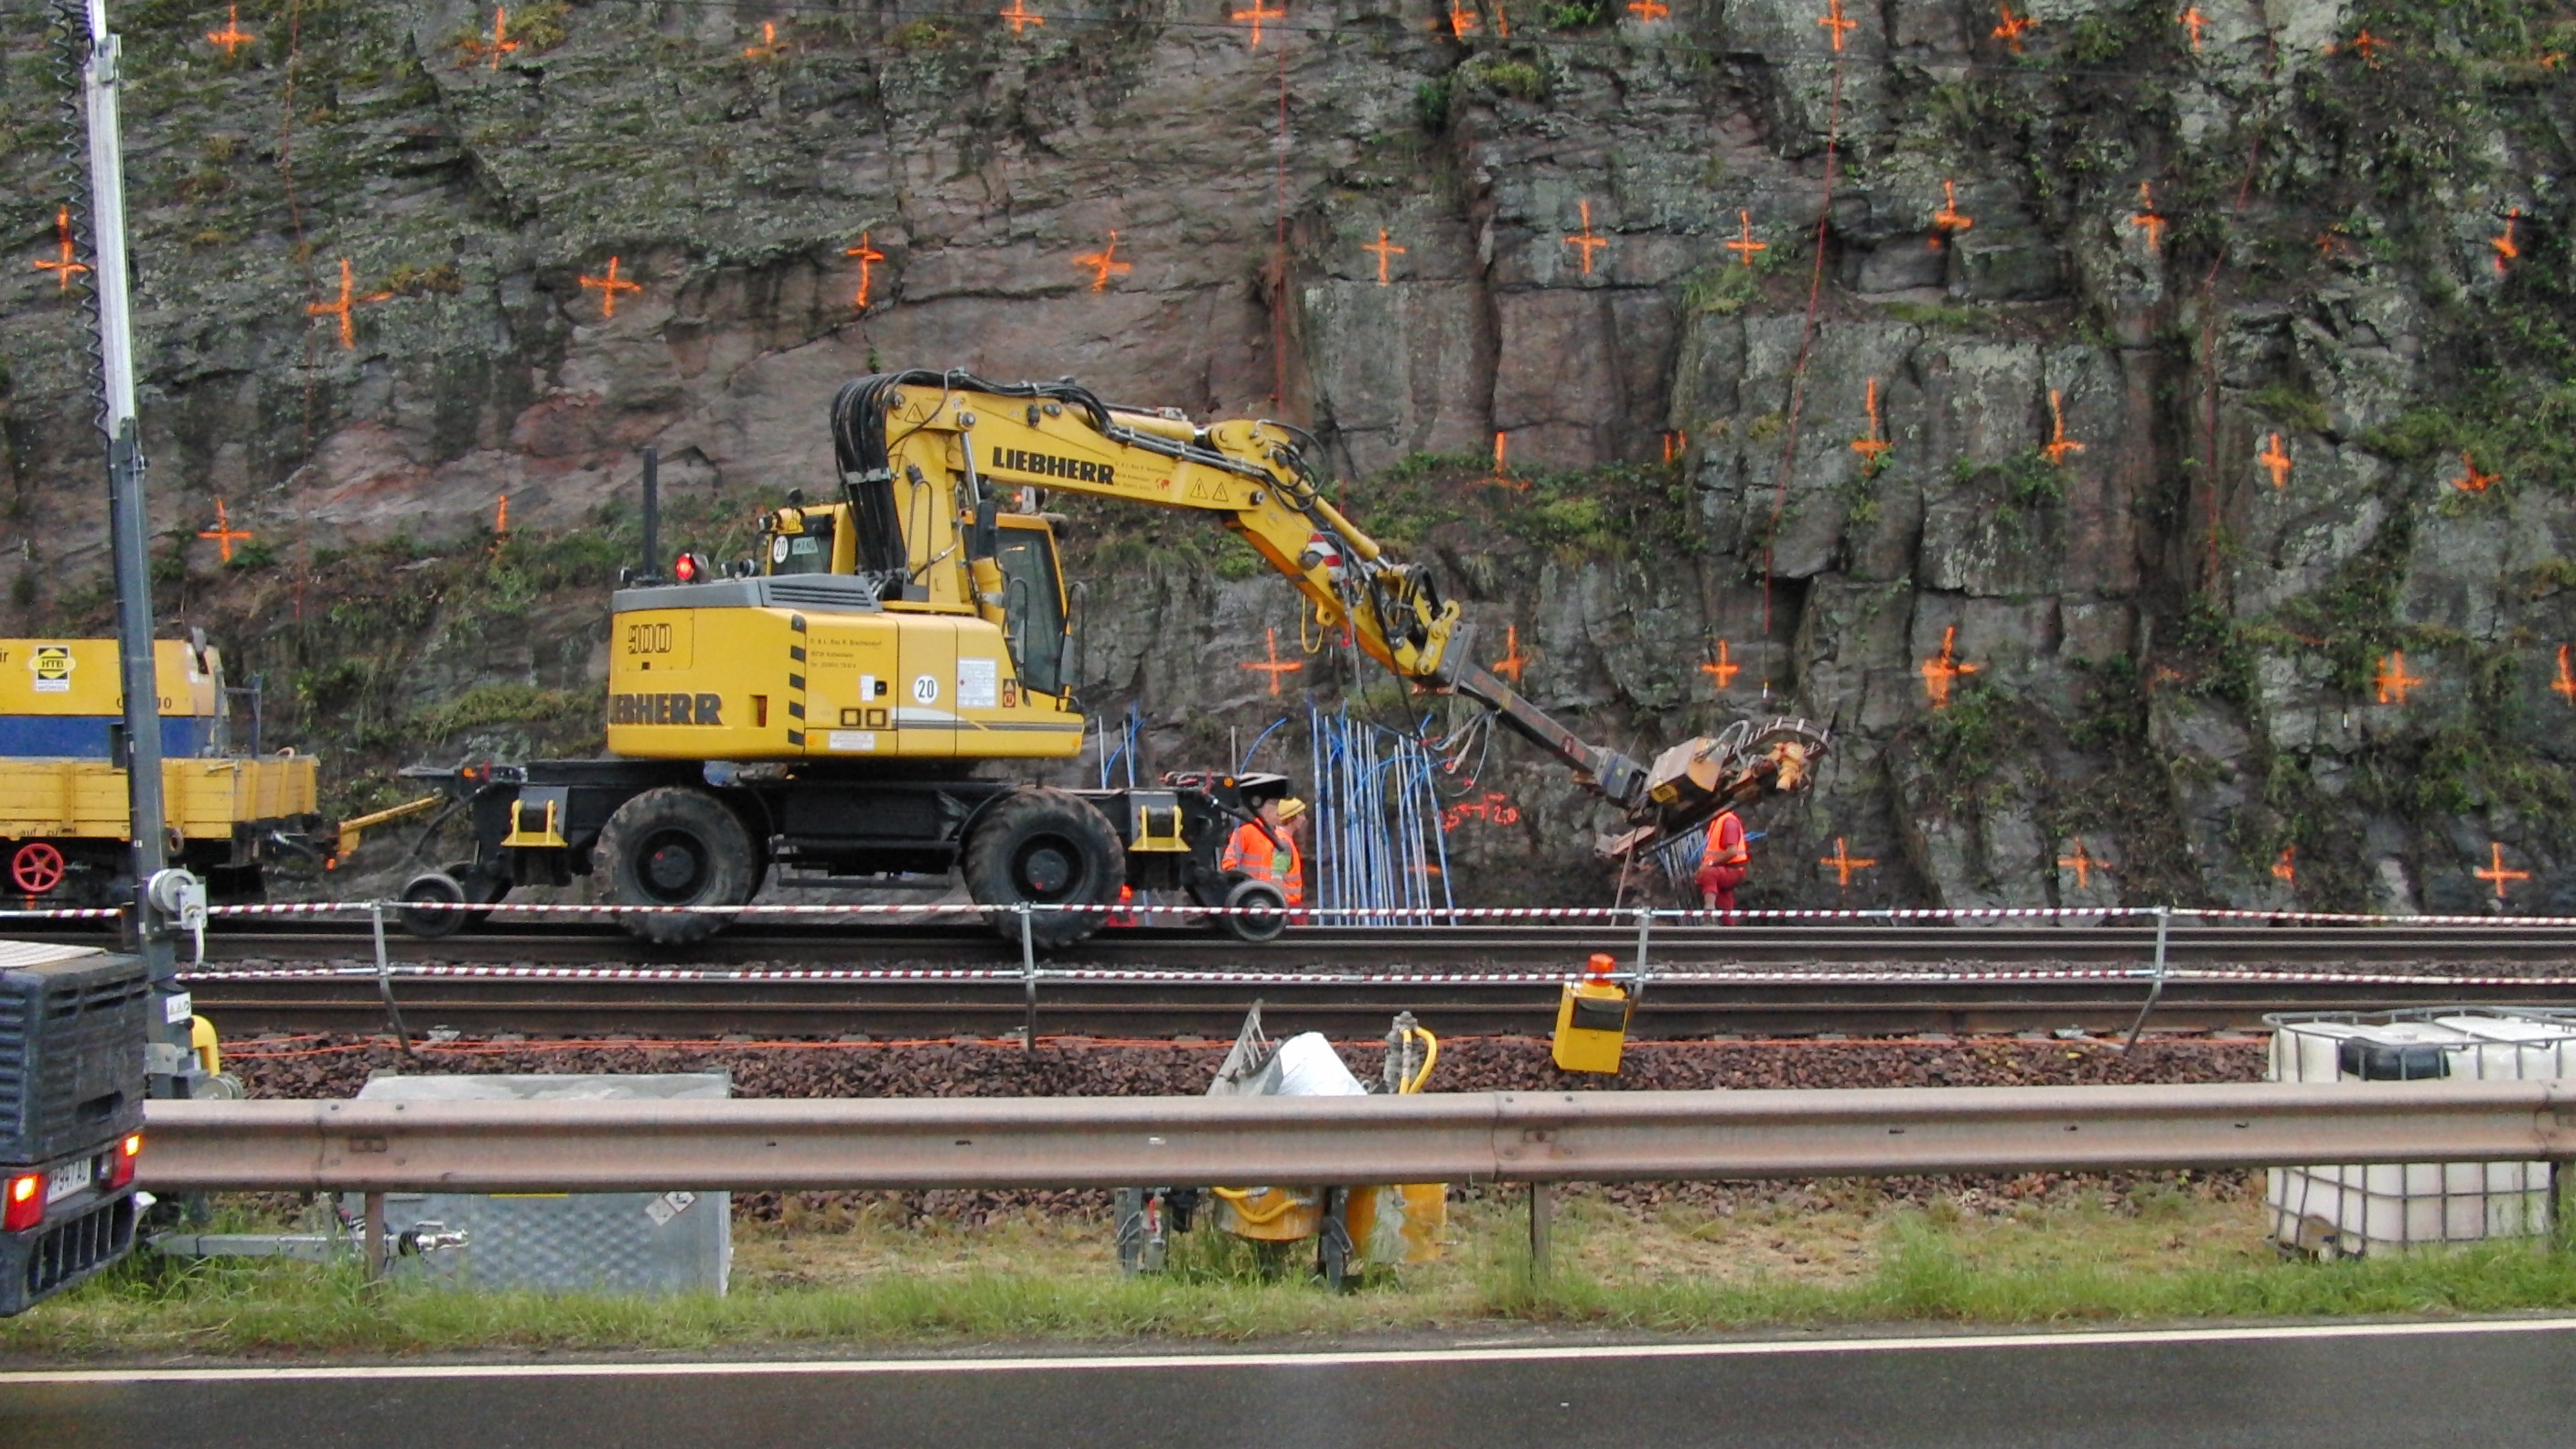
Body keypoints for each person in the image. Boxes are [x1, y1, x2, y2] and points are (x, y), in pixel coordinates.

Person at [1696, 807, 1748, 922]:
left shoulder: (1728, 822)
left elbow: (1732, 851)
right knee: (1724, 901)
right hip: (1725, 869)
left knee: (1708, 874)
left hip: (1732, 870)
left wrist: (1708, 864)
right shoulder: (1719, 821)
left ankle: (1709, 913)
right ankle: (1730, 931)